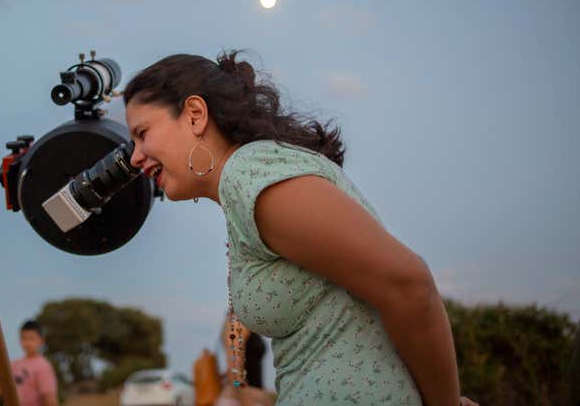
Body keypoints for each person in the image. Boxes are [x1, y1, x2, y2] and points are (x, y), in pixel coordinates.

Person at [123, 51, 479, 406]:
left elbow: (408, 286)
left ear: (195, 116)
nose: (135, 156)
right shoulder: (248, 183)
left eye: (143, 133)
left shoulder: (248, 174)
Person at [0, 319, 58, 406]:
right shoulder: (14, 365)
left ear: (41, 340)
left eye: (32, 338)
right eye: (24, 338)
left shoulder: (43, 366)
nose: (27, 343)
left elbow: (50, 401)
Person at [216, 310, 272, 406]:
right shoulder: (237, 321)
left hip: (244, 397)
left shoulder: (244, 321)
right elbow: (234, 370)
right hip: (239, 400)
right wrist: (245, 397)